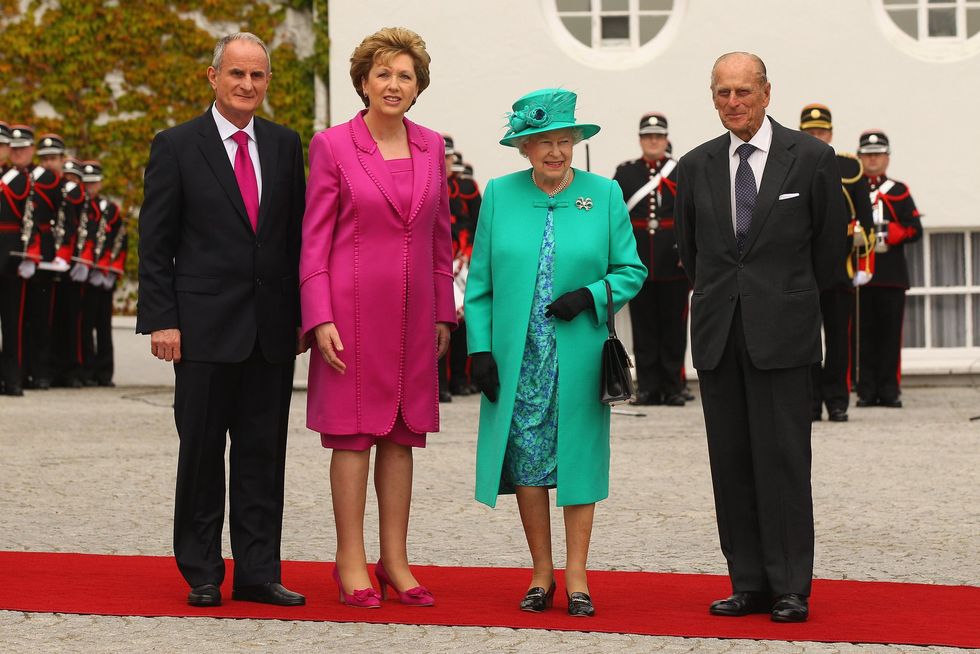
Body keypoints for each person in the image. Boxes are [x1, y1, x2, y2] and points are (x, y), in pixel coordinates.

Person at [136, 32, 307, 608]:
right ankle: (203, 570)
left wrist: (305, 316)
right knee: (203, 453)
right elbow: (155, 244)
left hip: (271, 330)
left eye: (258, 76)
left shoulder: (285, 145)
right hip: (201, 330)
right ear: (214, 77)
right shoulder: (177, 145)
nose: (247, 85)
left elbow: (294, 239)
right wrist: (162, 319)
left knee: (264, 454)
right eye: (237, 74)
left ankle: (259, 572)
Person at [674, 53, 846, 623]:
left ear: (767, 93)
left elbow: (828, 254)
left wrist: (783, 300)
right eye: (722, 92)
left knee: (784, 462)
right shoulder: (696, 165)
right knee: (732, 462)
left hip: (785, 335)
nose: (732, 103)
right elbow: (691, 254)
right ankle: (747, 581)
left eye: (743, 92)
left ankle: (791, 585)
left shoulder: (813, 159)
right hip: (721, 334)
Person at [465, 88, 646, 617]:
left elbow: (631, 270)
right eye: (544, 142)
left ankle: (578, 576)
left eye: (565, 141)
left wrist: (588, 296)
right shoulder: (499, 195)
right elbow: (480, 286)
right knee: (525, 457)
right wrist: (480, 349)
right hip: (517, 357)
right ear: (524, 147)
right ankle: (542, 573)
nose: (556, 152)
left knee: (579, 458)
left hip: (579, 353)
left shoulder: (604, 194)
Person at [300, 27, 455, 609]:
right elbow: (312, 239)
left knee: (400, 435)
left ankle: (394, 559)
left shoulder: (432, 146)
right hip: (350, 315)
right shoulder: (333, 145)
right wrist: (318, 316)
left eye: (405, 76)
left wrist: (444, 312)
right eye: (383, 74)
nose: (394, 84)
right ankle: (349, 559)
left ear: (419, 88)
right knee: (352, 437)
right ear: (363, 81)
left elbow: (440, 236)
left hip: (415, 316)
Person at [799, 104, 874, 422]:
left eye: (820, 132)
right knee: (807, 338)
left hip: (840, 265)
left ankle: (838, 400)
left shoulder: (849, 167)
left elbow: (866, 220)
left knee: (839, 339)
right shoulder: (790, 164)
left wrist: (864, 264)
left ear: (830, 133)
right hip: (804, 267)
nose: (816, 137)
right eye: (810, 133)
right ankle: (812, 401)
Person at [613, 112, 688, 406]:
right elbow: (616, 218)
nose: (653, 141)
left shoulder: (682, 170)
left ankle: (673, 386)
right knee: (644, 328)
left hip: (674, 261)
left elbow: (692, 215)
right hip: (640, 262)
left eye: (658, 136)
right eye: (647, 136)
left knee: (674, 328)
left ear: (666, 139)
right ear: (641, 140)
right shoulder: (626, 173)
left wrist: (688, 252)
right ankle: (647, 387)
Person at [855, 129, 921, 408]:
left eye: (878, 154)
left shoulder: (899, 190)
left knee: (890, 336)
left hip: (891, 274)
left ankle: (890, 390)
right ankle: (866, 391)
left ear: (887, 158)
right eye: (868, 154)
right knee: (862, 337)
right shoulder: (850, 188)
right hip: (860, 274)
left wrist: (899, 232)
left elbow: (915, 229)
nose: (873, 159)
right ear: (859, 157)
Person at [0, 125, 37, 397]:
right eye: (11, 148)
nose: (14, 152)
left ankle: (13, 378)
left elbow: (35, 220)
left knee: (14, 320)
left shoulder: (30, 179)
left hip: (13, 254)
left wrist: (32, 254)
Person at [81, 161, 124, 387]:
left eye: (94, 182)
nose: (90, 187)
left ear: (100, 183)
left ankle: (105, 372)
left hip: (104, 275)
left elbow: (119, 240)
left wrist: (110, 269)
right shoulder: (80, 208)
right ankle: (87, 371)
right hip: (84, 275)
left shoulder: (110, 209)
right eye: (86, 183)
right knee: (85, 326)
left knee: (104, 326)